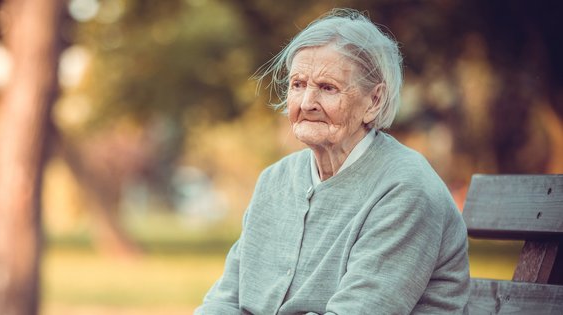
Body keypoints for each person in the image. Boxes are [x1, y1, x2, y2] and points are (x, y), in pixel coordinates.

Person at [195, 8, 469, 315]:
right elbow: (225, 299)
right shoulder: (275, 181)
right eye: (298, 85)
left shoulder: (405, 189)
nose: (307, 102)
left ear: (374, 101)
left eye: (327, 88)